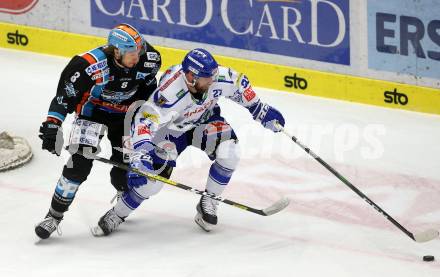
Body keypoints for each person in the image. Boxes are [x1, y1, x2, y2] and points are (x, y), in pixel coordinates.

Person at [91, 48, 285, 236]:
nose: (213, 81)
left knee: (230, 152)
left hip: (204, 121)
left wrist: (260, 109)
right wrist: (140, 153)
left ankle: (209, 201)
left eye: (213, 76)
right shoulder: (168, 93)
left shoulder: (215, 77)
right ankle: (117, 214)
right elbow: (144, 120)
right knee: (150, 183)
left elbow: (239, 84)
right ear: (191, 77)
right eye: (207, 78)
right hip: (170, 132)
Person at [35, 23, 162, 239]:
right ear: (116, 51)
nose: (137, 56)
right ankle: (53, 216)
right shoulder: (87, 64)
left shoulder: (150, 59)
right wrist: (52, 125)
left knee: (125, 168)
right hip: (91, 114)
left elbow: (149, 93)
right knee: (78, 165)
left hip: (125, 116)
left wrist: (146, 124)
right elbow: (64, 98)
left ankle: (123, 200)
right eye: (132, 52)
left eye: (139, 50)